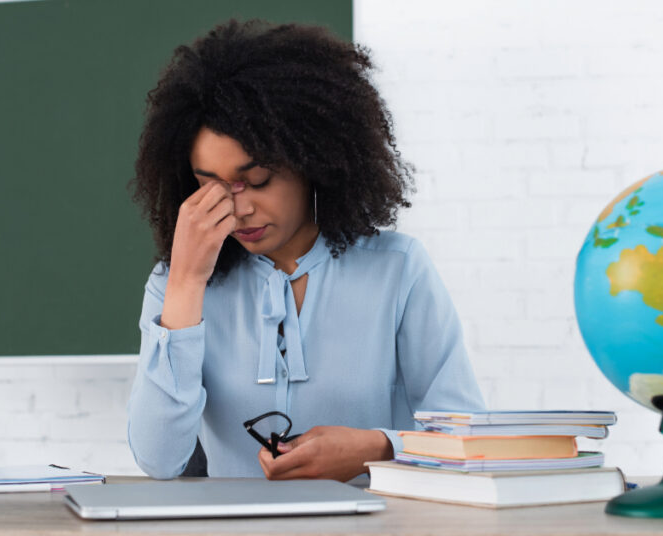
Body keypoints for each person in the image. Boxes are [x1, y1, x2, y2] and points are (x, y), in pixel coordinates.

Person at [126, 19, 484, 481]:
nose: (238, 208)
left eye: (256, 181)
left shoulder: (398, 271)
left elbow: (466, 438)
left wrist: (375, 448)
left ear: (312, 160)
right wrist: (186, 284)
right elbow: (158, 461)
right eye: (209, 186)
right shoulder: (175, 286)